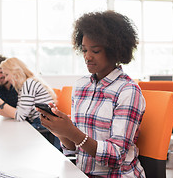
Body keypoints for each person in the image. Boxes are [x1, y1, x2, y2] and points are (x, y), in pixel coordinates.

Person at [38, 10, 146, 177]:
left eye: (95, 51)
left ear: (114, 50)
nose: (87, 57)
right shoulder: (81, 86)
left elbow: (116, 155)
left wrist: (73, 132)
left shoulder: (128, 91)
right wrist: (59, 129)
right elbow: (74, 147)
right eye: (84, 50)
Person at [0, 57, 56, 132]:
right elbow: (19, 113)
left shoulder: (28, 84)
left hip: (43, 125)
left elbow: (19, 116)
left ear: (15, 72)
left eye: (7, 74)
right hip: (41, 123)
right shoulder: (26, 84)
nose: (6, 78)